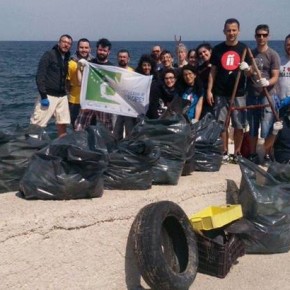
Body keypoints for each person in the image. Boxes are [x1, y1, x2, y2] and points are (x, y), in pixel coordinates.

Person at [207, 18, 251, 163]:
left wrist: (247, 69)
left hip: (239, 93)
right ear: (224, 31)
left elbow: (250, 73)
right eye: (228, 30)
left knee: (239, 124)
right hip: (220, 92)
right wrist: (209, 90)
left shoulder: (244, 49)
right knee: (222, 124)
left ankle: (236, 153)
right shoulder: (218, 49)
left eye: (234, 30)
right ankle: (224, 151)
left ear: (238, 31)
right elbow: (213, 71)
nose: (231, 33)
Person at [246, 24, 280, 166]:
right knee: (253, 126)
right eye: (259, 35)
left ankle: (266, 154)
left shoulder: (273, 54)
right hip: (252, 95)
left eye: (264, 35)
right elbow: (248, 74)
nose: (261, 37)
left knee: (266, 126)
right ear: (255, 36)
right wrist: (247, 69)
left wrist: (267, 82)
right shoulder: (251, 54)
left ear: (268, 36)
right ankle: (253, 154)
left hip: (267, 95)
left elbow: (275, 76)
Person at [30, 34, 73, 137]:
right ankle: (31, 146)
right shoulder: (49, 55)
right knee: (37, 124)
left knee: (62, 123)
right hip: (48, 95)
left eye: (69, 43)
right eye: (64, 42)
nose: (66, 45)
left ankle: (61, 146)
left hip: (62, 96)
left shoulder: (67, 58)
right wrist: (44, 96)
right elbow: (40, 76)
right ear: (59, 42)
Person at [75, 38, 114, 131]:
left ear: (109, 52)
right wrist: (79, 67)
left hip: (104, 102)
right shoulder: (89, 64)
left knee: (107, 128)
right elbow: (81, 82)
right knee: (80, 126)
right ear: (96, 50)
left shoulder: (112, 68)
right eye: (100, 50)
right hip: (89, 100)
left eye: (105, 51)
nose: (102, 52)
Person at [67, 38, 93, 129]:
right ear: (77, 48)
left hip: (91, 102)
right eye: (81, 47)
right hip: (75, 101)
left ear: (90, 49)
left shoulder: (94, 63)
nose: (84, 50)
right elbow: (66, 84)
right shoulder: (70, 63)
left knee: (91, 128)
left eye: (86, 47)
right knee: (75, 127)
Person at [113, 49, 137, 140]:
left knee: (130, 131)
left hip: (129, 106)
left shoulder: (133, 72)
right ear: (117, 58)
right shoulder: (112, 71)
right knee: (115, 130)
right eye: (120, 57)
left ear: (128, 59)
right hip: (115, 105)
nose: (122, 59)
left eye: (124, 57)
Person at [196, 43, 213, 118]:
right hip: (205, 99)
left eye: (204, 51)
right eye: (200, 54)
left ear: (210, 51)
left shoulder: (218, 65)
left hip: (218, 96)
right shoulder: (200, 69)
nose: (203, 54)